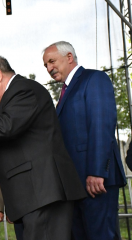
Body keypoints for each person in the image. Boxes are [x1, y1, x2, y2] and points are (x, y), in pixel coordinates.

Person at [0, 54, 86, 240]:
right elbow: (9, 136)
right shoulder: (14, 97)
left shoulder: (23, 90)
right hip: (33, 197)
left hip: (43, 193)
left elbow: (6, 127)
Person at [42, 41, 126, 240]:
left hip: (96, 181)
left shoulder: (94, 79)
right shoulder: (65, 91)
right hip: (76, 184)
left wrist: (97, 172)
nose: (49, 68)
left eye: (52, 61)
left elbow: (101, 125)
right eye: (45, 65)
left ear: (69, 57)